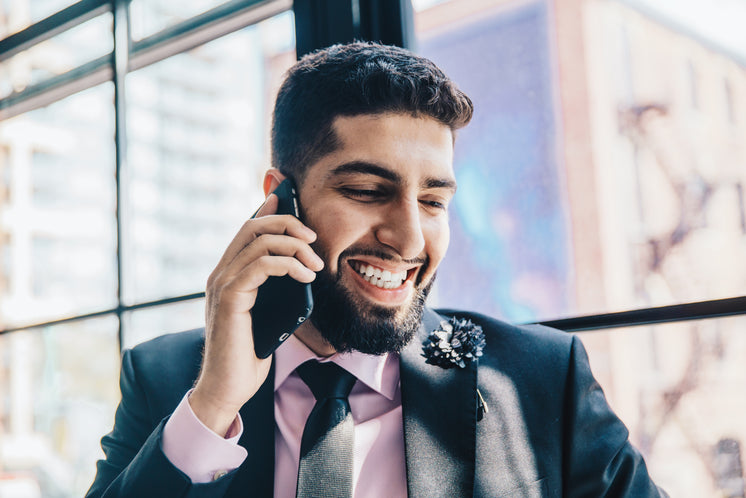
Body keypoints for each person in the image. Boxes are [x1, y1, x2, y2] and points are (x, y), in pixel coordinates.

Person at [87, 41, 667, 497]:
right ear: (278, 200)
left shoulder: (540, 379)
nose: (410, 238)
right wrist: (213, 406)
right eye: (367, 190)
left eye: (434, 201)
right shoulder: (167, 380)